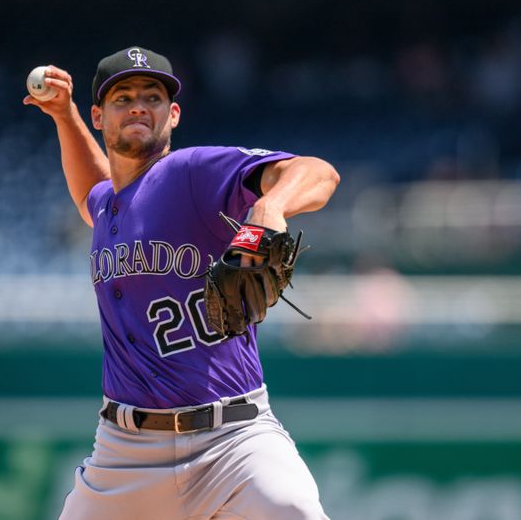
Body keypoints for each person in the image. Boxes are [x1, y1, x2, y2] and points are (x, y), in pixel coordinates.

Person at [24, 46, 339, 520]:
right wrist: (64, 116)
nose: (137, 106)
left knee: (296, 509)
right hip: (124, 452)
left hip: (234, 440)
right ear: (99, 115)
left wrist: (268, 208)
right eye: (122, 98)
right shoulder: (109, 203)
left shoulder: (193, 171)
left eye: (152, 97)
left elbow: (317, 172)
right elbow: (93, 191)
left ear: (172, 114)